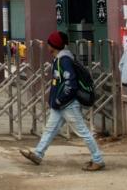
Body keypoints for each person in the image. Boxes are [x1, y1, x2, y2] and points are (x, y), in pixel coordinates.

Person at [19, 31, 106, 171]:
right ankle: (38, 154)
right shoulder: (62, 58)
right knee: (50, 129)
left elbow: (70, 83)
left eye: (49, 43)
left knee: (83, 131)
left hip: (67, 104)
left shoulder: (64, 60)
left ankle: (98, 159)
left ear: (53, 45)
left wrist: (59, 100)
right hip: (61, 104)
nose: (47, 45)